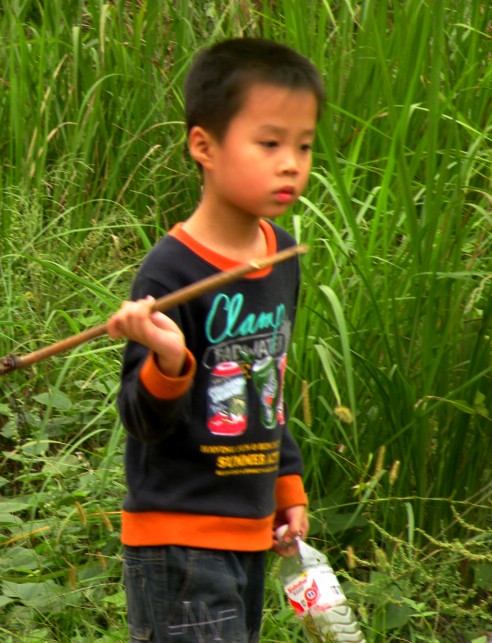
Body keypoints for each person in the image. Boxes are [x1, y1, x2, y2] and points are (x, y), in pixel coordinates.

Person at [106, 37, 325, 642]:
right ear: (203, 145)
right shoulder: (169, 274)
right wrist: (170, 359)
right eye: (269, 143)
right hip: (179, 541)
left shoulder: (281, 254)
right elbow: (141, 418)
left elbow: (268, 383)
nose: (291, 163)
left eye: (303, 146)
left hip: (250, 529)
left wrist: (285, 485)